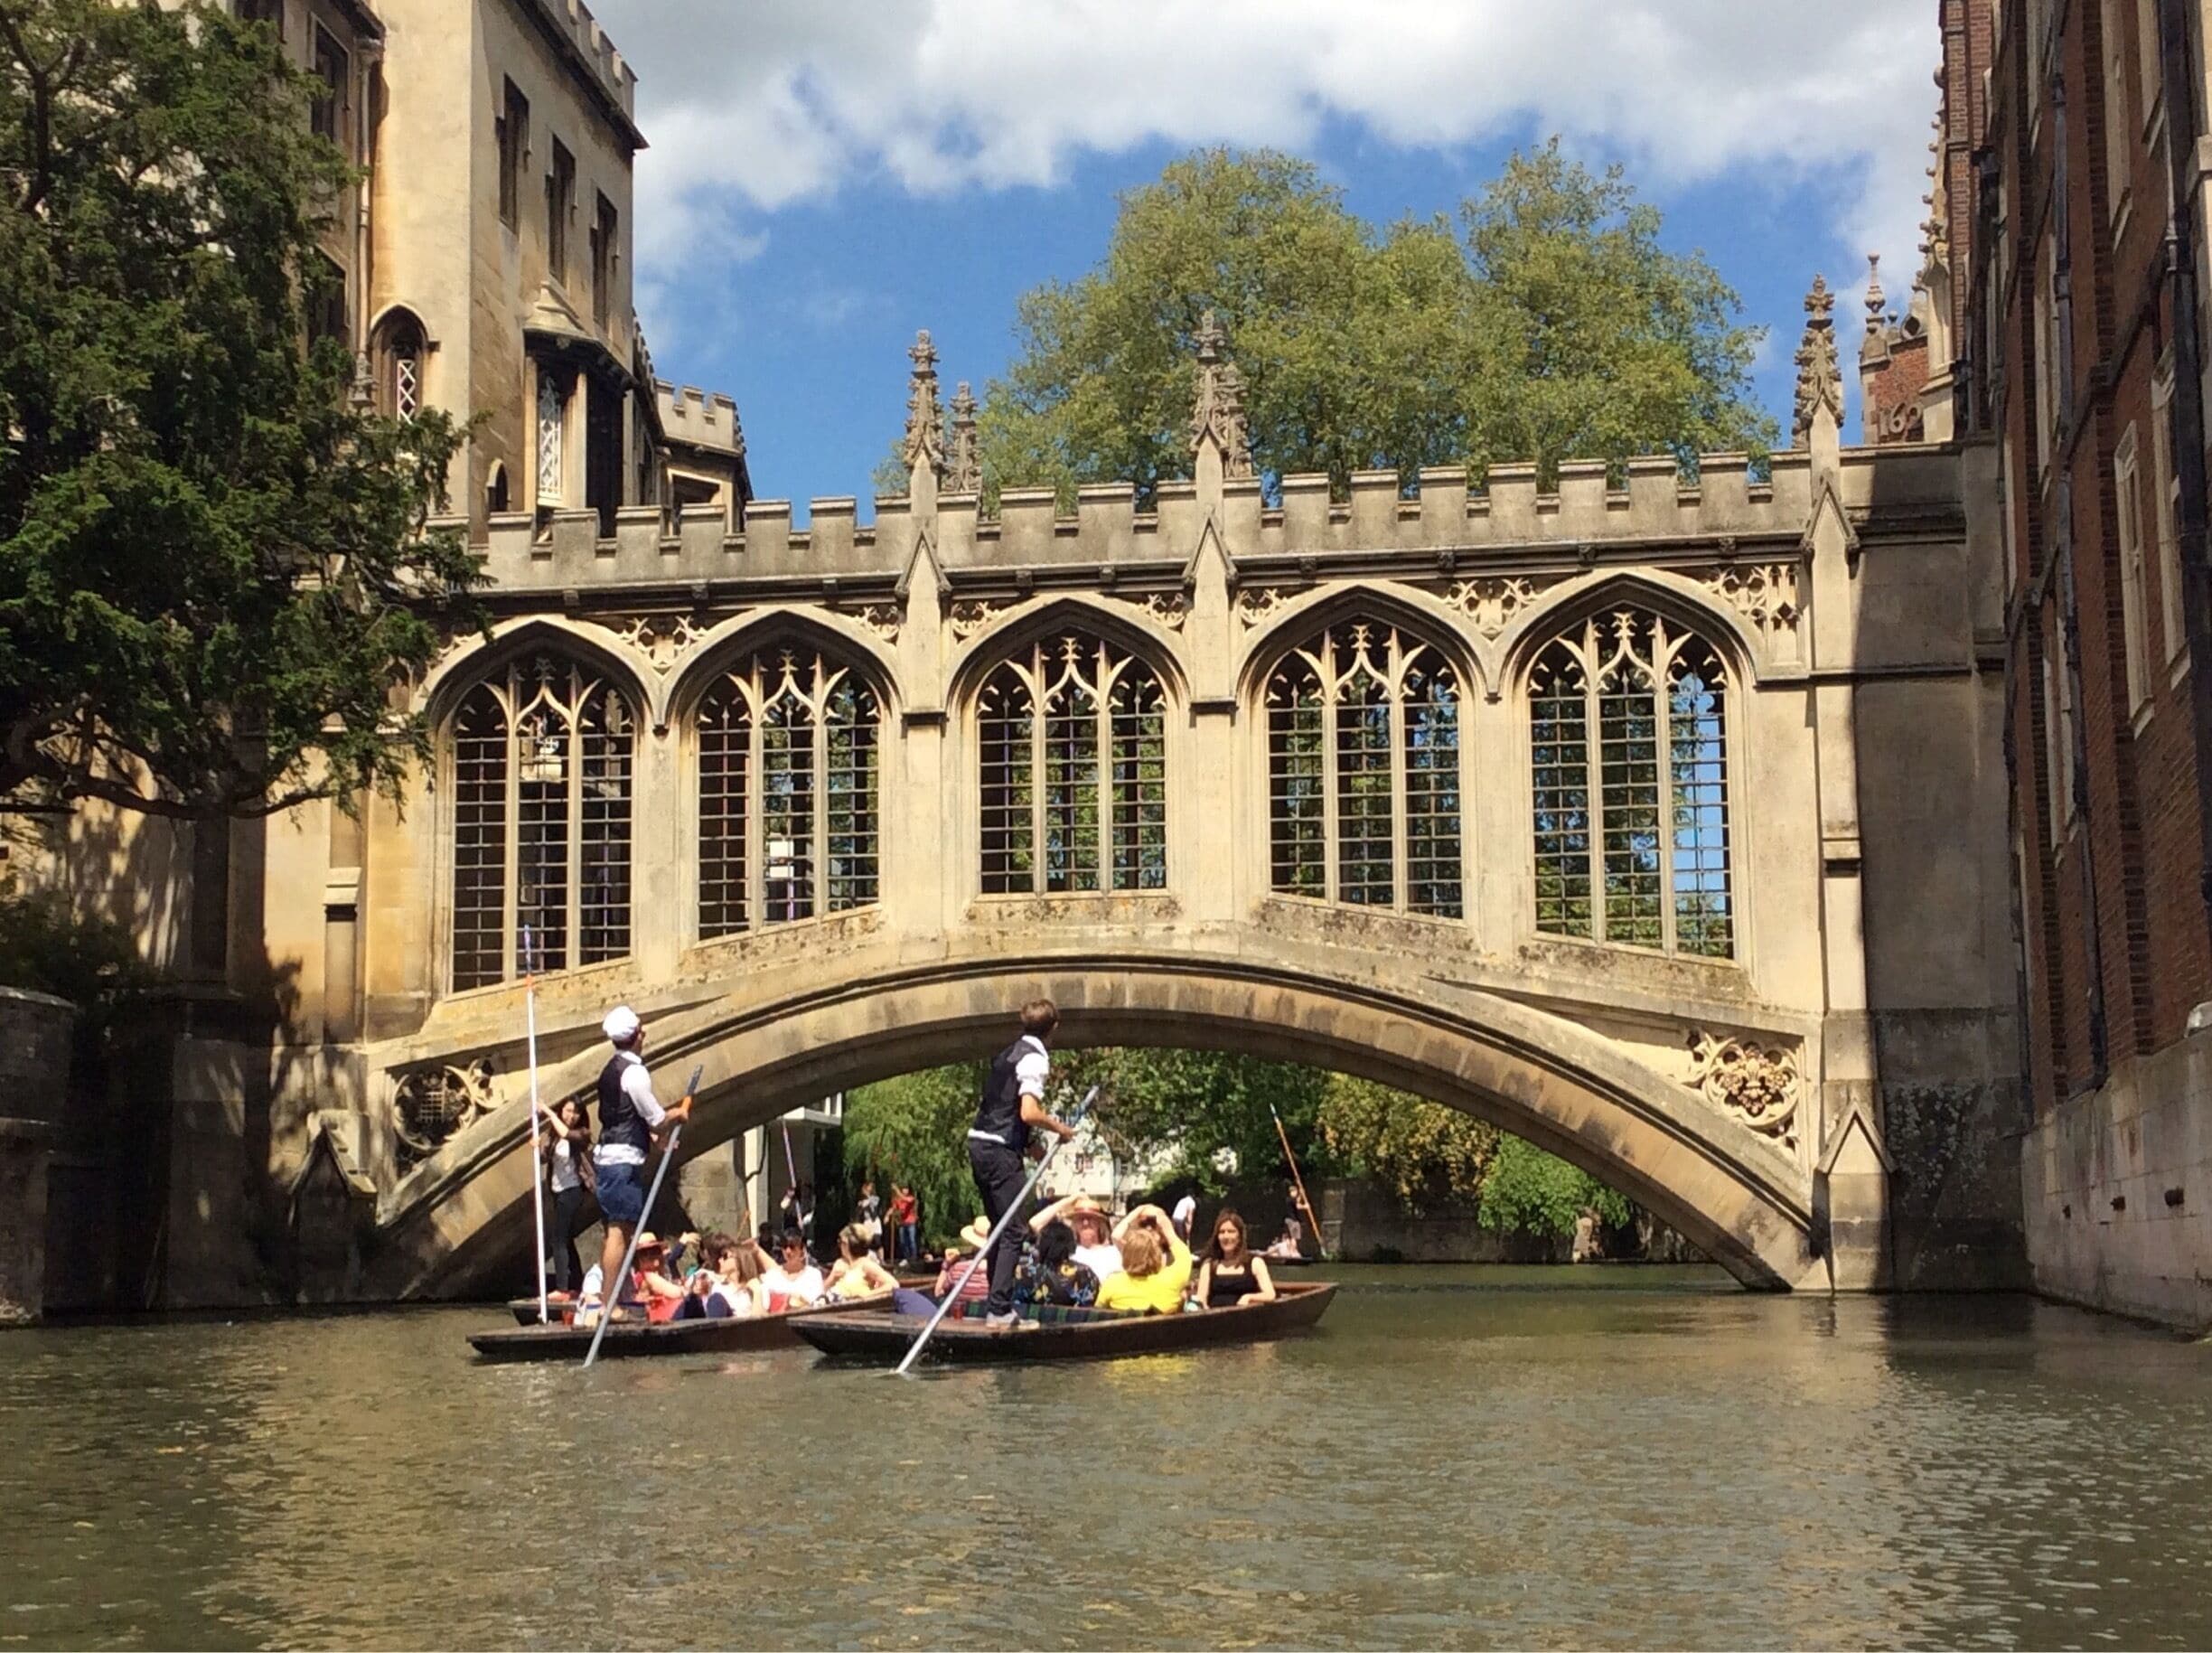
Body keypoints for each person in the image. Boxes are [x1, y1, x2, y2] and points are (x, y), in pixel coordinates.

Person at [967, 998, 1075, 1327]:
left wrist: (1030, 1144)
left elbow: (1004, 1107)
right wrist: (1059, 1128)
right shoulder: (1035, 1060)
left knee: (1000, 1229)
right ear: (1053, 1028)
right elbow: (1028, 1111)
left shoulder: (1006, 1054)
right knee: (1014, 1229)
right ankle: (999, 1310)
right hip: (1000, 1152)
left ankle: (995, 1306)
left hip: (979, 1145)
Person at [590, 1005, 693, 1322]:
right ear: (635, 1036)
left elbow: (624, 1116)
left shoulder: (610, 1070)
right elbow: (657, 1117)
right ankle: (611, 1303)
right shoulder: (634, 1073)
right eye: (641, 1029)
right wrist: (679, 1112)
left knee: (621, 1230)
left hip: (614, 1158)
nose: (644, 1033)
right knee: (620, 1232)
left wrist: (654, 1139)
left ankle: (616, 1297)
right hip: (621, 1164)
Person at [539, 1097, 594, 1297]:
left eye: (575, 1112)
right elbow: (547, 1157)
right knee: (567, 1239)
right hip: (557, 1190)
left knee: (558, 1240)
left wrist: (549, 1112)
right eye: (567, 1111)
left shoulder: (581, 1134)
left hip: (573, 1191)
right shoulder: (554, 1135)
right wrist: (537, 1147)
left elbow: (567, 1134)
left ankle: (562, 1289)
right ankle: (577, 1284)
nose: (571, 1116)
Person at [1093, 1204, 1192, 1314]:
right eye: (1144, 1224)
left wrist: (1137, 1211)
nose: (1148, 1228)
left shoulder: (1112, 1283)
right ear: (1157, 1255)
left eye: (1152, 1224)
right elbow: (1185, 1257)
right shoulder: (1173, 1279)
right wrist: (1166, 1226)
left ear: (1126, 1254)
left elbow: (1097, 1313)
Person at [1194, 1207, 1278, 1309]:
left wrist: (1249, 1297)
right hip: (1215, 1319)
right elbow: (1201, 1299)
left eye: (1231, 1231)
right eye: (1222, 1232)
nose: (1226, 1236)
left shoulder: (1255, 1263)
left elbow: (1270, 1294)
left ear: (1239, 1236)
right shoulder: (1209, 1265)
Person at [1014, 1218, 1099, 1311]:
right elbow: (1089, 1308)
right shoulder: (1084, 1272)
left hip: (1037, 1324)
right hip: (1073, 1324)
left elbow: (1018, 1306)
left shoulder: (1026, 1272)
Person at [1032, 1193, 1121, 1281]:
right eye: (1080, 1219)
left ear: (1099, 1223)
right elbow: (1034, 1224)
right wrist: (1068, 1200)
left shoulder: (1114, 1252)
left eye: (1090, 1219)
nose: (1085, 1223)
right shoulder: (1067, 1252)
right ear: (1074, 1223)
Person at [931, 1216, 997, 1318]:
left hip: (959, 1320)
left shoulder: (957, 1269)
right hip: (985, 1319)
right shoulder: (999, 1272)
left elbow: (938, 1293)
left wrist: (946, 1265)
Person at [824, 1224, 900, 1301]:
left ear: (847, 1244)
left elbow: (893, 1284)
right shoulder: (840, 1262)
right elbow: (821, 1290)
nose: (840, 1246)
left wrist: (868, 1295)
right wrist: (832, 1278)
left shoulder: (866, 1264)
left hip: (856, 1309)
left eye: (841, 1242)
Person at [763, 1229, 826, 1313]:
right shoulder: (771, 1275)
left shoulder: (814, 1275)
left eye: (792, 1247)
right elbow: (764, 1307)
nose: (788, 1251)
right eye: (785, 1247)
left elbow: (818, 1307)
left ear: (802, 1249)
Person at [888, 1183, 920, 1265]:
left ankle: (914, 1258)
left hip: (911, 1222)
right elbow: (893, 1208)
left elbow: (906, 1199)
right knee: (903, 1242)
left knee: (911, 1240)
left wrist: (896, 1190)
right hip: (902, 1223)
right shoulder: (897, 1199)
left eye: (906, 1189)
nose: (905, 1191)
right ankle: (906, 1258)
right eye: (903, 1189)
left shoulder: (911, 1198)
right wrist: (887, 1215)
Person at [855, 1180, 883, 1254]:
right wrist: (861, 1206)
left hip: (875, 1221)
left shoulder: (875, 1198)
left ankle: (881, 1259)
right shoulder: (861, 1201)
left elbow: (874, 1205)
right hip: (867, 1221)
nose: (869, 1189)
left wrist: (867, 1196)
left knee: (878, 1241)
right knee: (867, 1241)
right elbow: (859, 1212)